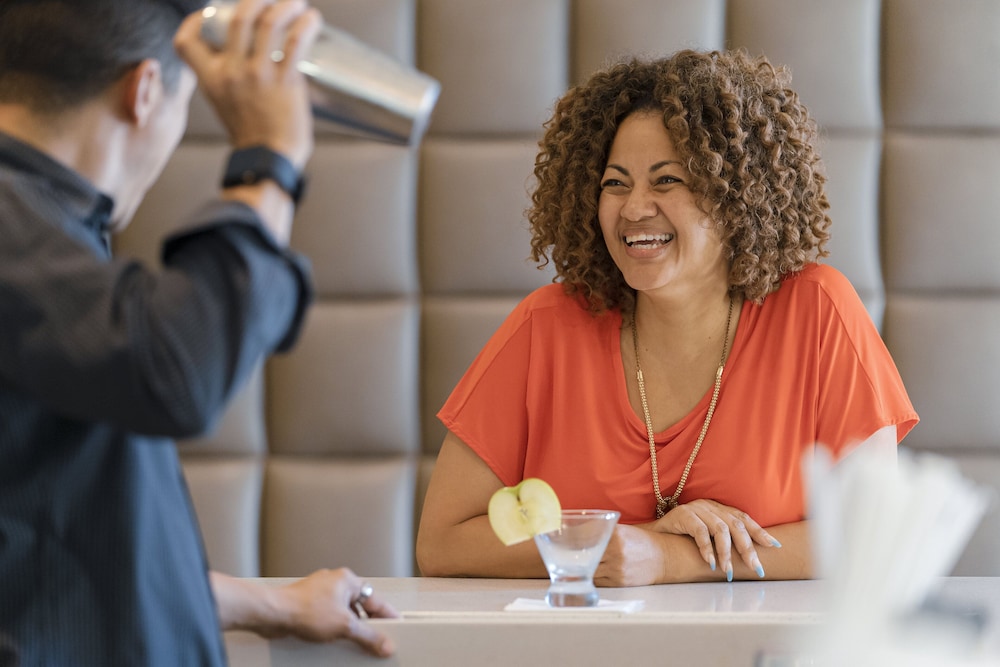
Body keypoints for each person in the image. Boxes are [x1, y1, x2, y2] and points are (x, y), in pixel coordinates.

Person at [416, 49, 919, 587]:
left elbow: (874, 537)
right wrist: (628, 543)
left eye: (667, 181)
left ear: (736, 196)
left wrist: (668, 558)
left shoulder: (818, 310)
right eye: (615, 183)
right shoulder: (545, 327)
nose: (634, 208)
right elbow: (442, 543)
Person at [0, 0, 396, 664]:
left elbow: (58, 548)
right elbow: (178, 371)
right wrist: (268, 163)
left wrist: (273, 605)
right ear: (145, 91)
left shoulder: (47, 232)